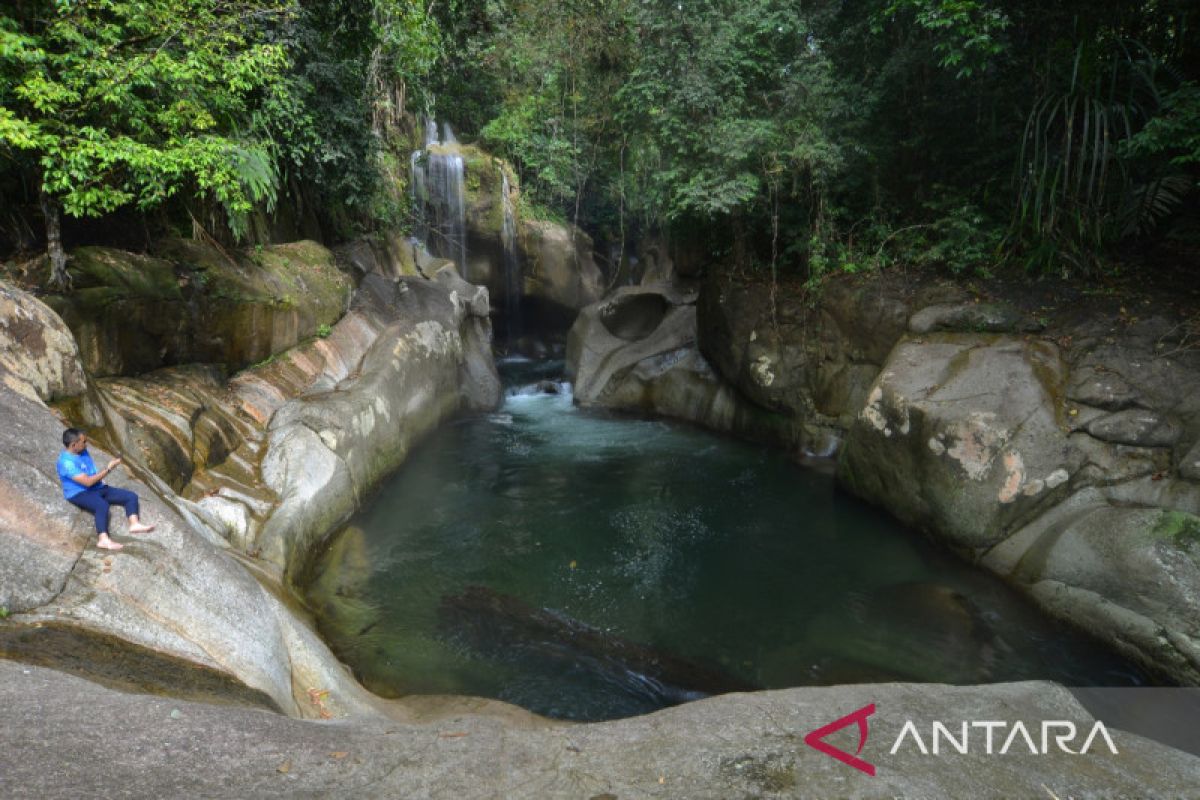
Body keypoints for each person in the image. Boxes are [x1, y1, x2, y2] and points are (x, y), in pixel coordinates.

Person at [57, 428, 154, 551]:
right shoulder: (66, 463)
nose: (86, 444)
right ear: (73, 445)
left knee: (130, 496)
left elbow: (91, 474)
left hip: (97, 487)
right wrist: (108, 469)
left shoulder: (81, 450)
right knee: (101, 506)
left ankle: (134, 524)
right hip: (79, 492)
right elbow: (88, 482)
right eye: (84, 442)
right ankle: (103, 540)